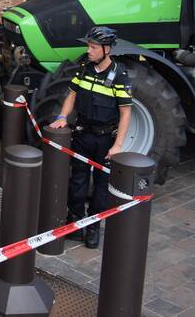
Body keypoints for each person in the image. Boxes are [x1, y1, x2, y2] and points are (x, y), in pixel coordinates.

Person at [49, 26, 132, 249]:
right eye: (88, 46)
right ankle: (75, 222)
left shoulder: (119, 75)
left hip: (105, 139)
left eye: (93, 47)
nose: (89, 51)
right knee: (77, 180)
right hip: (83, 134)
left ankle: (94, 226)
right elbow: (72, 95)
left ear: (107, 49)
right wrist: (62, 116)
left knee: (101, 187)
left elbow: (126, 113)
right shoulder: (84, 68)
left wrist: (118, 145)